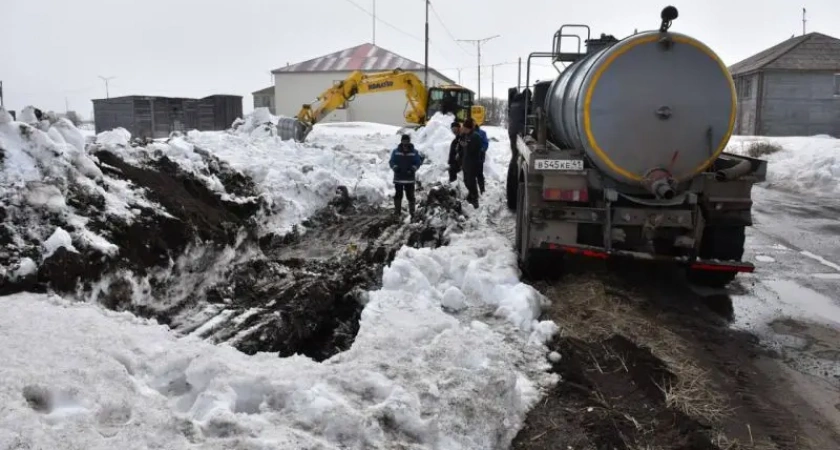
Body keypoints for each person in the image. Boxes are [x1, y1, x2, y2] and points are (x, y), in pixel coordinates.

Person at [389, 134, 423, 217]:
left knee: (410, 196)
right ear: (401, 141)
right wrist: (395, 167)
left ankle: (412, 213)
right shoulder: (395, 151)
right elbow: (392, 161)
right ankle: (397, 212)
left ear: (409, 142)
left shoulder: (414, 152)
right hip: (398, 178)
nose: (405, 143)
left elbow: (418, 162)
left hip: (409, 179)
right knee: (398, 195)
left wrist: (412, 169)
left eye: (406, 141)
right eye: (404, 141)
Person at [457, 119, 484, 208]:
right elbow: (461, 147)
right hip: (465, 163)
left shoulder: (475, 136)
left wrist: (466, 145)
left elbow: (475, 150)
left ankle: (475, 199)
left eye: (464, 127)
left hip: (473, 164)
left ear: (467, 128)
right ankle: (471, 195)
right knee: (466, 181)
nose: (462, 128)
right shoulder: (465, 135)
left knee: (471, 182)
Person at [474, 123, 489, 194]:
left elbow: (486, 143)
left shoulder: (482, 133)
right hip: (470, 157)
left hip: (479, 156)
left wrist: (481, 150)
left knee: (479, 173)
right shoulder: (468, 132)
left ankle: (482, 190)